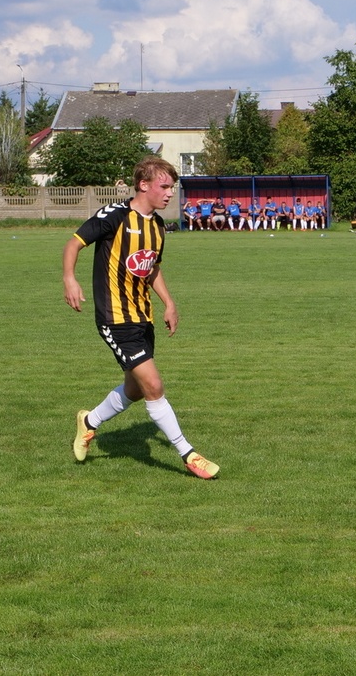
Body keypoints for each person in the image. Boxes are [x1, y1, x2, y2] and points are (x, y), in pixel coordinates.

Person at [62, 156, 219, 480]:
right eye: (165, 186)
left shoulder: (158, 226)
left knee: (134, 390)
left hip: (143, 316)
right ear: (143, 185)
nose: (170, 193)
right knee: (154, 385)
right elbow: (74, 244)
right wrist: (69, 279)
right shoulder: (114, 216)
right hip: (115, 318)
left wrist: (169, 303)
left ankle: (88, 422)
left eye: (172, 187)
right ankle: (189, 455)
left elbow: (152, 267)